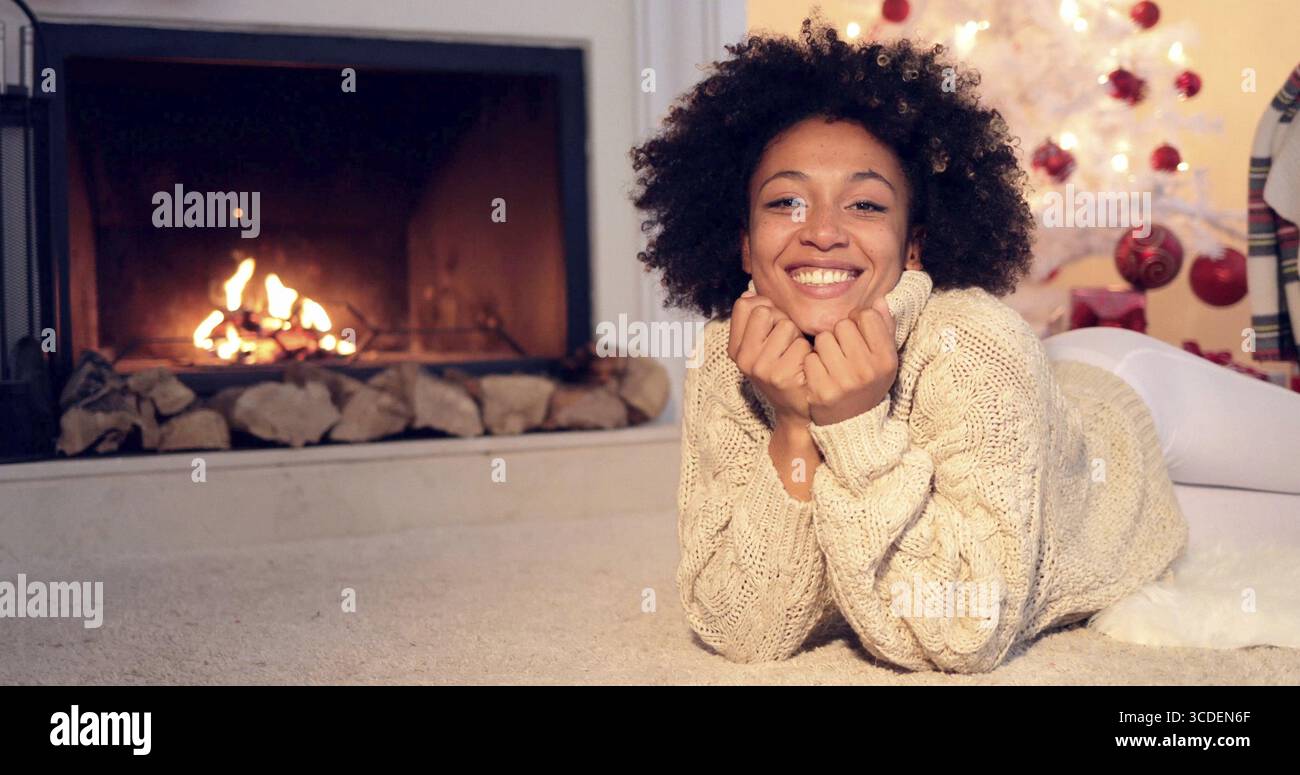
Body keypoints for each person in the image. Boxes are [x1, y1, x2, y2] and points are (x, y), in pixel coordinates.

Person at [626, 15, 1253, 672]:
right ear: (745, 244)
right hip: (1033, 438)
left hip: (1125, 420)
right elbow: (743, 628)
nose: (823, 232)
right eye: (787, 202)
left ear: (914, 244)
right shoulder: (726, 359)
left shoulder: (973, 340)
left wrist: (853, 423)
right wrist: (793, 426)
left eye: (865, 205)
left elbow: (962, 633)